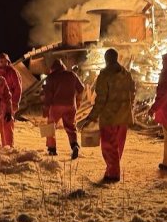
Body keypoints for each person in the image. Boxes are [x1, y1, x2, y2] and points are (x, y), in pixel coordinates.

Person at [82, 48, 135, 183]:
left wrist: (92, 116)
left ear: (106, 59)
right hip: (124, 116)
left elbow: (101, 100)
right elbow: (132, 92)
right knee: (118, 146)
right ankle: (111, 169)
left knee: (109, 146)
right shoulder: (126, 74)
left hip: (109, 117)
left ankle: (113, 174)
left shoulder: (105, 75)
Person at [42, 58, 84, 159]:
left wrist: (46, 109)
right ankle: (74, 145)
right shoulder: (72, 74)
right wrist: (78, 100)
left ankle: (52, 149)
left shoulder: (50, 77)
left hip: (56, 106)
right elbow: (81, 88)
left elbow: (48, 95)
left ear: (52, 68)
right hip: (71, 105)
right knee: (71, 126)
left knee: (50, 127)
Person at [0, 53, 23, 148]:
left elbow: (18, 88)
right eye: (1, 61)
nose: (3, 63)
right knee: (0, 125)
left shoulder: (12, 72)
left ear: (8, 62)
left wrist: (15, 102)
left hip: (9, 102)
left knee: (7, 124)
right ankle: (4, 146)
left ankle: (9, 146)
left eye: (5, 61)